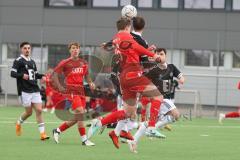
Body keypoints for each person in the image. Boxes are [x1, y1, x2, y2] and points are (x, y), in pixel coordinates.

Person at [88, 18, 162, 152]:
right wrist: (154, 55)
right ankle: (151, 127)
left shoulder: (117, 37)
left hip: (124, 77)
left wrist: (107, 45)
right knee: (158, 97)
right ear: (128, 27)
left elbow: (131, 49)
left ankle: (100, 123)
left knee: (129, 112)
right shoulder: (127, 36)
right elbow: (136, 47)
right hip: (133, 74)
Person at [51, 42, 95, 146]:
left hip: (81, 91)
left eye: (77, 48)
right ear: (70, 50)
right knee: (80, 112)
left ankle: (57, 130)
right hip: (71, 90)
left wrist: (90, 82)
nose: (75, 50)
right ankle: (84, 140)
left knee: (77, 117)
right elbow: (55, 74)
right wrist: (59, 86)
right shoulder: (65, 62)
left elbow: (87, 75)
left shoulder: (83, 62)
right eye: (73, 48)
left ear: (79, 50)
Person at [11, 41, 49, 140]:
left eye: (28, 48)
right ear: (21, 49)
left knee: (39, 110)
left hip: (35, 89)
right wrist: (22, 75)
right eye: (25, 48)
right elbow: (12, 73)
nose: (27, 50)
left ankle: (43, 134)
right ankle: (18, 123)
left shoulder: (32, 61)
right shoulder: (18, 61)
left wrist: (43, 76)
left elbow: (35, 74)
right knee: (29, 112)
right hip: (25, 91)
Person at [148, 48, 184, 130]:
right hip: (161, 98)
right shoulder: (153, 70)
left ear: (165, 56)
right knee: (176, 115)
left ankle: (133, 139)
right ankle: (152, 129)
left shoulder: (171, 67)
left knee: (156, 120)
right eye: (157, 54)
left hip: (168, 98)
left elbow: (180, 76)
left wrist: (181, 79)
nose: (159, 56)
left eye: (161, 54)